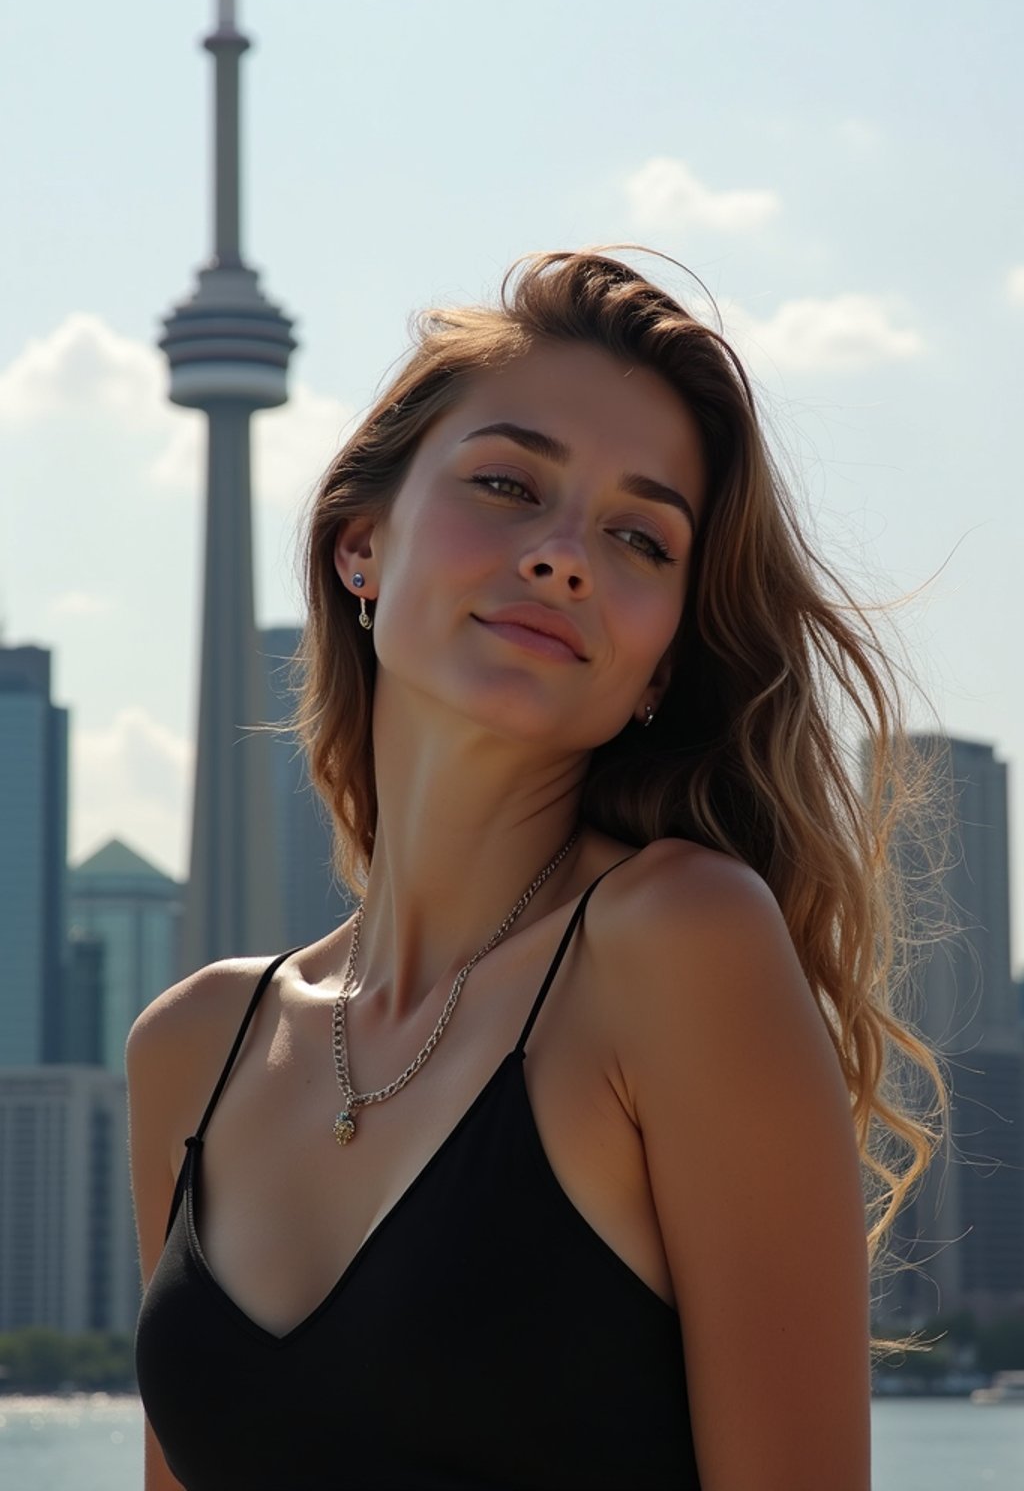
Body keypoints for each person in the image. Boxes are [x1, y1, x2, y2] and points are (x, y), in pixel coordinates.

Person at [129, 248, 942, 1491]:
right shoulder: (193, 1046)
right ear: (360, 545)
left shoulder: (678, 943)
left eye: (639, 538)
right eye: (508, 484)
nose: (566, 555)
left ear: (660, 664)